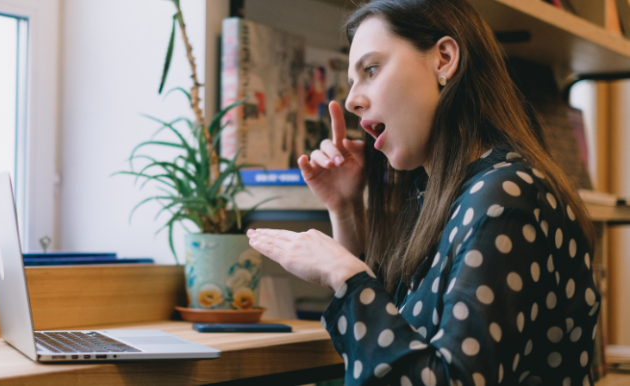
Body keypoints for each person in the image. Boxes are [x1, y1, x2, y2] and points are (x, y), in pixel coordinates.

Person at [245, 0, 600, 385]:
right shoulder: (440, 196)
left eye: (371, 69)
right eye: (352, 81)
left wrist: (343, 273)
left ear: (444, 59)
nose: (351, 100)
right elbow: (397, 347)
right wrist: (346, 210)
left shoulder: (505, 197)